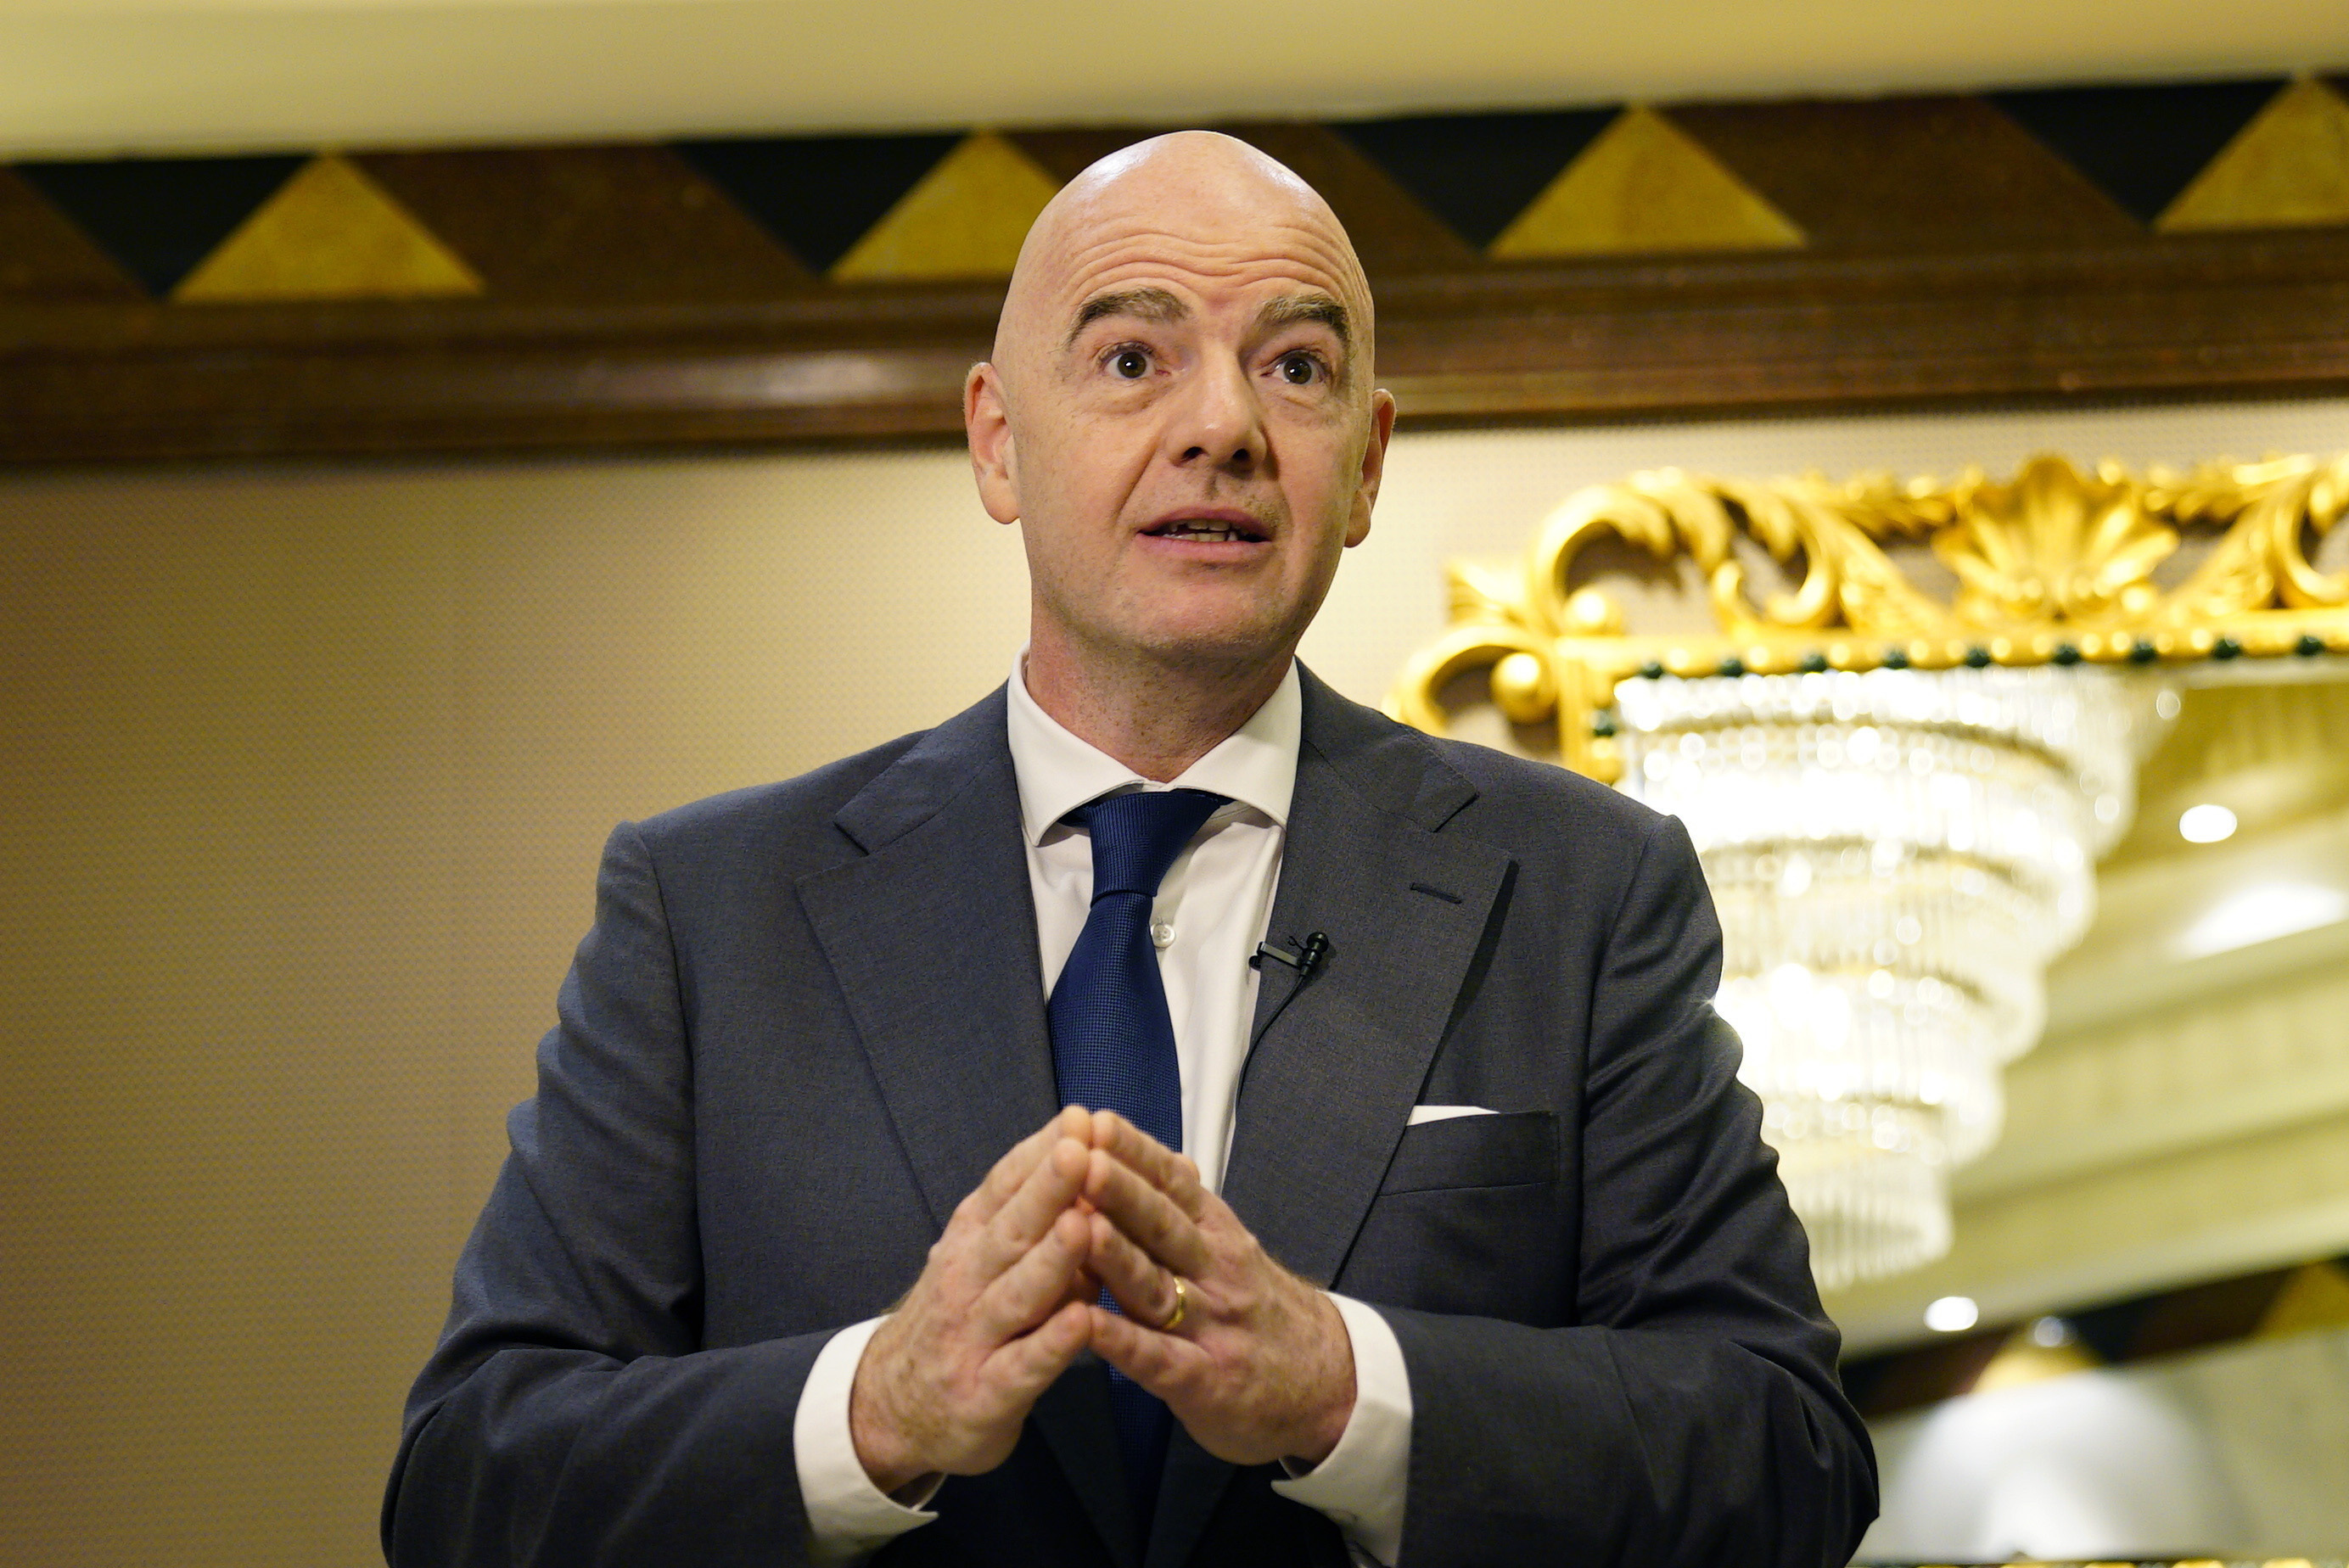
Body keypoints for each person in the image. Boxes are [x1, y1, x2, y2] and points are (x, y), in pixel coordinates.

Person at [383, 132, 1876, 1568]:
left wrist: (1344, 1391)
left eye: (1295, 366)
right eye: (1130, 357)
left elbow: (1786, 1459)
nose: (1221, 423)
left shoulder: (1582, 892)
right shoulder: (709, 915)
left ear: (1365, 465)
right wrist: (879, 1408)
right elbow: (471, 1483)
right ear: (997, 441)